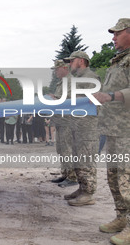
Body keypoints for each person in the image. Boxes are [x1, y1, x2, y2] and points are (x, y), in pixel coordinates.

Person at [93, 18, 130, 245]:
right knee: (114, 177)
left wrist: (113, 96)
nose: (113, 37)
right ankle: (121, 218)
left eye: (117, 33)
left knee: (127, 178)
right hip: (112, 128)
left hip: (127, 130)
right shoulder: (118, 62)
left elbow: (117, 93)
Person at [63, 51, 99, 206]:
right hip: (77, 125)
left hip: (87, 127)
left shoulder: (91, 78)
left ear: (82, 61)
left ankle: (88, 194)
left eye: (72, 61)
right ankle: (82, 188)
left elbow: (92, 100)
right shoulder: (79, 80)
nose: (70, 63)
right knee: (78, 158)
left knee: (86, 159)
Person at [49, 60, 77, 187]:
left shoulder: (71, 81)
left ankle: (72, 177)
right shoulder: (62, 83)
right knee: (60, 148)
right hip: (60, 120)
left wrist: (55, 99)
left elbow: (71, 98)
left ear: (65, 68)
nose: (55, 71)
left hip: (68, 120)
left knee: (67, 149)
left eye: (56, 69)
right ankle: (65, 173)